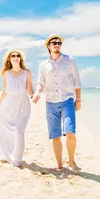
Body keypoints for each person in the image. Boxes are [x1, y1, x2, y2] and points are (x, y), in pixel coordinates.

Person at [32, 34, 82, 171]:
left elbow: (77, 81)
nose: (57, 44)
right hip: (50, 103)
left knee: (71, 132)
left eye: (59, 42)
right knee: (56, 136)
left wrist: (78, 100)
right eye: (54, 42)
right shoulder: (44, 65)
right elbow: (40, 82)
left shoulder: (69, 60)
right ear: (48, 46)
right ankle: (59, 165)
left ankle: (72, 162)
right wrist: (37, 93)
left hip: (67, 100)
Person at [0, 48, 33, 168]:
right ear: (9, 59)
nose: (16, 58)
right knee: (8, 129)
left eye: (18, 56)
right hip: (10, 105)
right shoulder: (6, 73)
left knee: (20, 131)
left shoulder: (27, 73)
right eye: (13, 56)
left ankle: (17, 159)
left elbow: (29, 89)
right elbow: (5, 91)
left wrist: (34, 96)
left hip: (23, 105)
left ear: (20, 59)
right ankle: (9, 152)